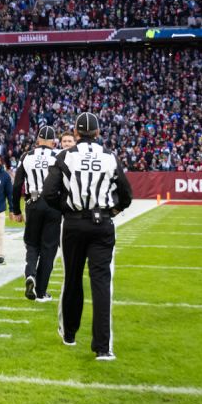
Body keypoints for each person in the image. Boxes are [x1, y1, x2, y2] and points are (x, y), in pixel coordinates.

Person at [42, 113, 132, 361]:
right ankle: (103, 347)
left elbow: (49, 193)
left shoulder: (65, 155)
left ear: (76, 132)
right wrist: (112, 210)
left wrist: (67, 209)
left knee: (72, 278)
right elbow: (126, 194)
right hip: (102, 223)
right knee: (102, 283)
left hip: (73, 224)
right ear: (99, 132)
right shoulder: (110, 156)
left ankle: (69, 334)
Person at [11, 126, 68, 302]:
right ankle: (41, 291)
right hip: (53, 204)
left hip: (32, 202)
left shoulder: (26, 156)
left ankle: (30, 274)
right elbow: (66, 183)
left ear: (38, 140)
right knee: (48, 248)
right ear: (53, 142)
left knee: (32, 244)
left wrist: (16, 209)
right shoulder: (58, 155)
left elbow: (17, 184)